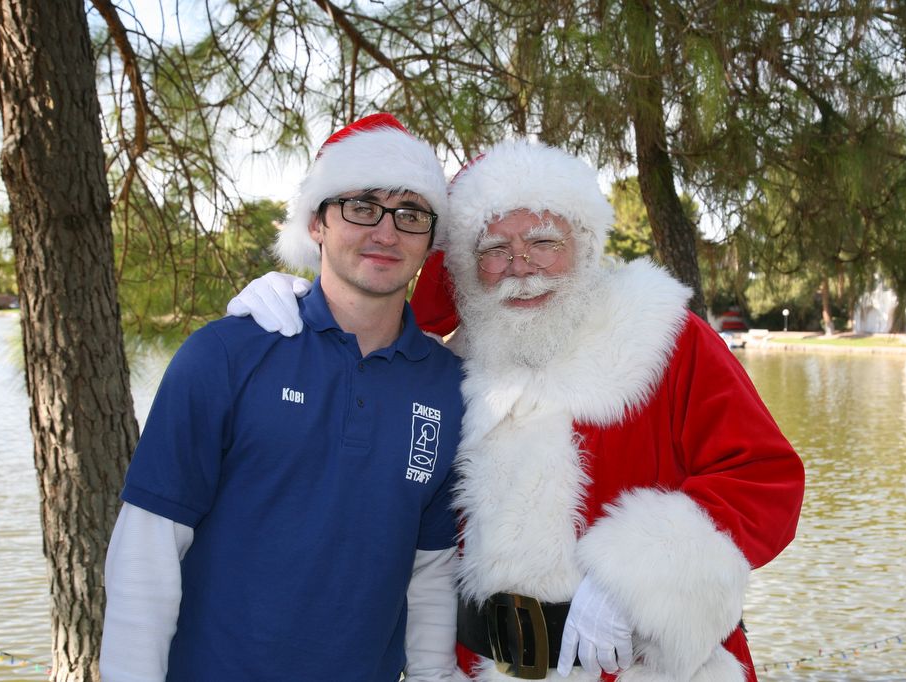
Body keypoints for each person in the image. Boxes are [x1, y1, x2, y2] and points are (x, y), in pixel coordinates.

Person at [230, 140, 805, 681]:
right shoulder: (441, 369)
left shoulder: (663, 338)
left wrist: (637, 578)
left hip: (642, 665)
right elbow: (345, 458)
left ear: (584, 241)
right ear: (464, 268)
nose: (521, 265)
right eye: (494, 250)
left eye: (544, 242)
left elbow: (765, 479)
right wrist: (297, 317)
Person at [100, 113, 466, 682]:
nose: (387, 232)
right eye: (362, 206)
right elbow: (145, 554)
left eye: (411, 214)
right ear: (317, 222)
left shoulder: (450, 388)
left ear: (429, 239)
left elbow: (432, 572)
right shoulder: (225, 355)